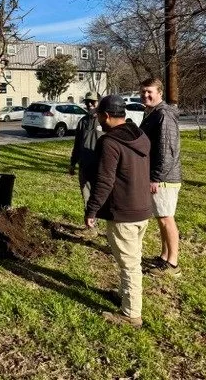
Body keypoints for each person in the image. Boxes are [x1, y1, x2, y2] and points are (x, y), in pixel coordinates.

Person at [85, 94, 151, 328]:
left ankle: (131, 314)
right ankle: (125, 293)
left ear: (106, 115)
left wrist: (92, 209)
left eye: (100, 117)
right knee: (133, 257)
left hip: (123, 211)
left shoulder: (110, 142)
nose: (99, 121)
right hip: (142, 208)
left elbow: (104, 180)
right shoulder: (140, 135)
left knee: (129, 264)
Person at [139, 77, 181, 276]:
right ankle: (164, 256)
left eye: (150, 91)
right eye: (143, 91)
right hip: (157, 176)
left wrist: (155, 177)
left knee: (166, 219)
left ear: (160, 93)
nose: (145, 95)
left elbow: (167, 150)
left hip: (164, 178)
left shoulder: (163, 114)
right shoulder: (153, 113)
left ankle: (173, 264)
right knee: (161, 218)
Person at [69, 91, 101, 235]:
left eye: (92, 102)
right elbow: (77, 144)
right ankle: (91, 226)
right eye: (87, 102)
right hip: (85, 165)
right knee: (87, 196)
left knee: (101, 195)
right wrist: (73, 162)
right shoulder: (83, 121)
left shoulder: (104, 119)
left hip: (101, 166)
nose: (89, 104)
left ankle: (107, 224)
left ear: (98, 102)